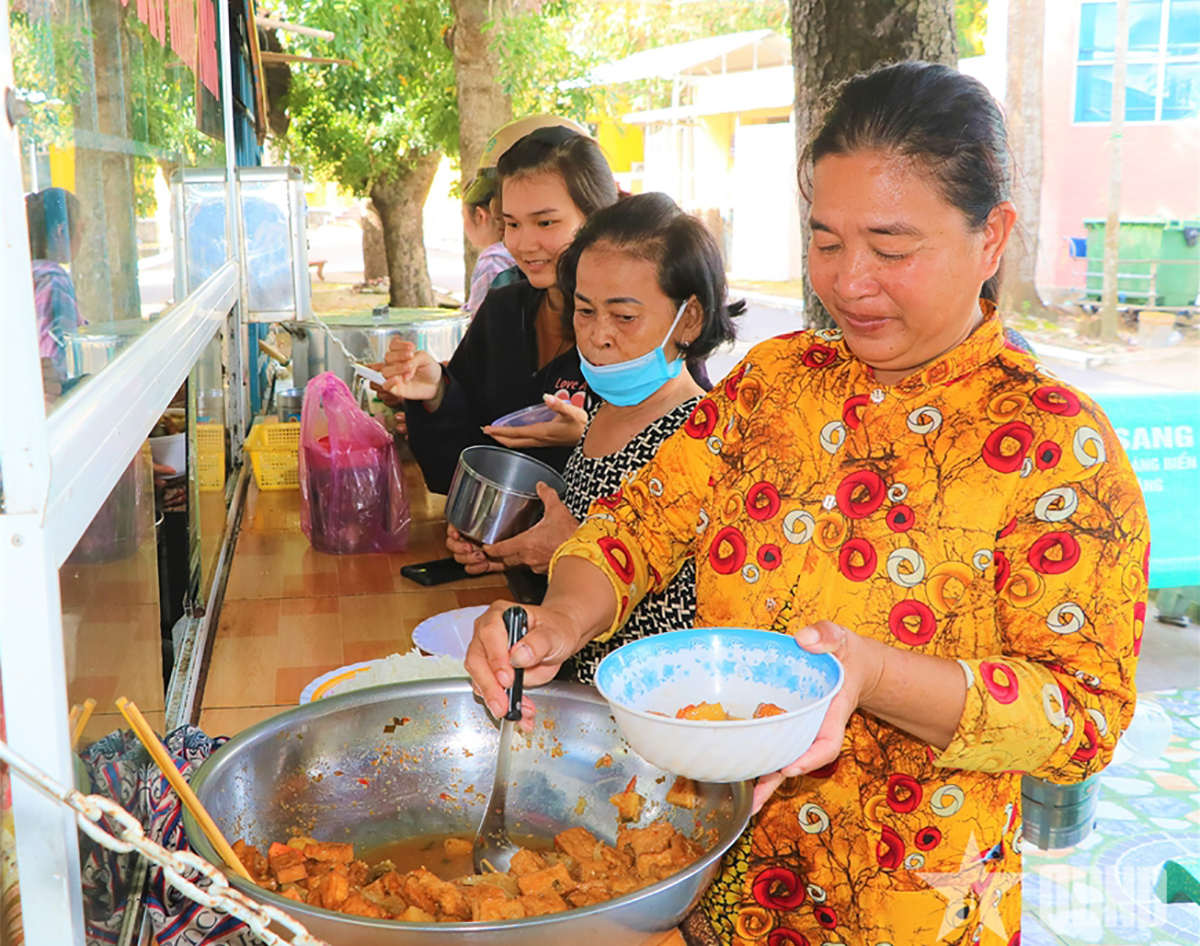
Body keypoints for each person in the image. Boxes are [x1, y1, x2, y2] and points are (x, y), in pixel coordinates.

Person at [465, 62, 1149, 945]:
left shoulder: (1056, 446)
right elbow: (638, 522)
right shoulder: (778, 381)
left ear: (993, 237)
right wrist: (559, 620)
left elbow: (1082, 717)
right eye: (825, 241)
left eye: (891, 248)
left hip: (900, 905)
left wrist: (874, 673)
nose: (849, 281)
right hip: (715, 871)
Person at [447, 192, 742, 681]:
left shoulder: (699, 436)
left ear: (688, 320)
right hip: (567, 681)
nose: (598, 335)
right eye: (584, 311)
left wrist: (570, 551)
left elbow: (693, 611)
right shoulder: (607, 406)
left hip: (645, 702)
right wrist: (514, 541)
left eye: (624, 317)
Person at [381, 117, 616, 494]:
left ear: (597, 217)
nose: (523, 244)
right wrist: (437, 392)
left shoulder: (641, 326)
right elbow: (455, 469)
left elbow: (682, 459)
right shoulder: (502, 312)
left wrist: (591, 438)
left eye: (545, 222)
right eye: (512, 224)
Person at [26, 187, 86, 382]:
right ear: (61, 232)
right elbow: (60, 367)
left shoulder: (27, 274)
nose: (81, 238)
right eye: (81, 229)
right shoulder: (52, 279)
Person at [460, 179, 517, 318]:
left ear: (480, 216)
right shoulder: (517, 256)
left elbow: (478, 326)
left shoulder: (491, 264)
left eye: (463, 215)